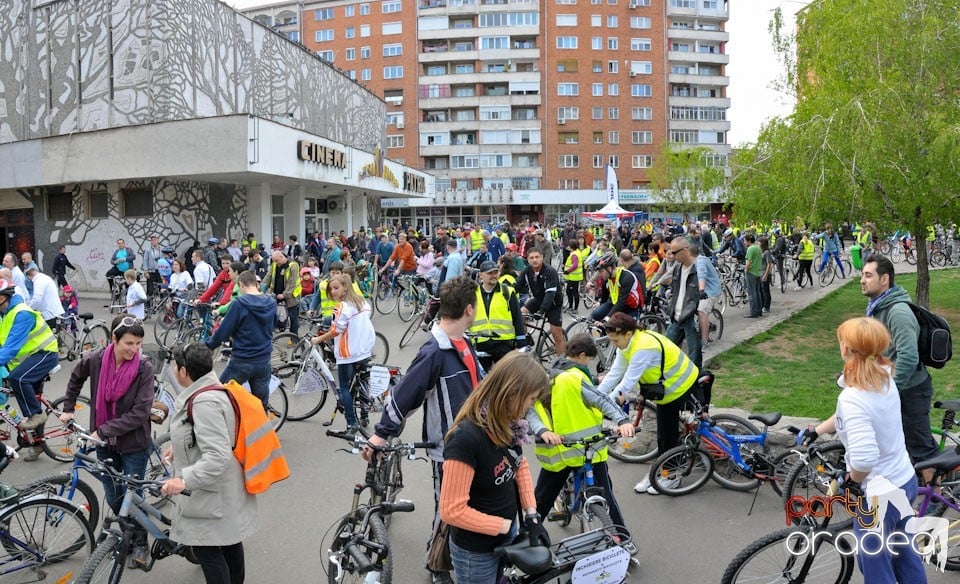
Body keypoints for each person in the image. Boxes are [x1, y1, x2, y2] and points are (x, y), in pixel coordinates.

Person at [366, 276, 481, 584]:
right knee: (449, 509)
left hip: (475, 443)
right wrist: (381, 434)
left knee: (470, 505)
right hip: (449, 449)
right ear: (469, 309)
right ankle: (436, 565)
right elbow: (405, 395)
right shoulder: (434, 352)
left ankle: (461, 556)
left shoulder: (464, 343)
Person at [799, 318, 926, 583]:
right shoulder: (883, 377)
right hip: (903, 479)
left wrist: (853, 480)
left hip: (879, 494)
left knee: (876, 566)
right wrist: (818, 430)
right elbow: (851, 417)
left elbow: (865, 457)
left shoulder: (854, 397)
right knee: (904, 552)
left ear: (846, 348)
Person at [439, 351, 549, 584]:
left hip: (504, 534)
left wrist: (531, 516)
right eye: (531, 399)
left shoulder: (507, 424)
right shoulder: (466, 439)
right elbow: (451, 510)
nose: (532, 407)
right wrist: (504, 527)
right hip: (475, 552)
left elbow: (519, 465)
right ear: (512, 393)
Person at [526, 334, 637, 553]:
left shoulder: (553, 373)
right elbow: (601, 400)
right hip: (588, 449)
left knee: (540, 501)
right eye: (588, 360)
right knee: (606, 495)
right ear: (582, 356)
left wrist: (542, 431)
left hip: (560, 452)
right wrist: (623, 420)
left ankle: (525, 541)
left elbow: (531, 411)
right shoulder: (573, 378)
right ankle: (623, 539)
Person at [160, 342, 259, 584]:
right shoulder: (214, 389)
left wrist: (183, 480)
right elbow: (213, 434)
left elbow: (217, 456)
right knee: (229, 540)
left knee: (206, 549)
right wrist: (180, 445)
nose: (173, 369)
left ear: (184, 372)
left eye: (175, 365)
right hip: (224, 488)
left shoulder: (204, 402)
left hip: (210, 493)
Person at [60, 315, 153, 566]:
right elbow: (75, 376)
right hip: (105, 444)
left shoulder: (144, 368)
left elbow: (141, 412)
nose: (135, 350)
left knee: (134, 496)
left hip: (134, 443)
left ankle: (140, 542)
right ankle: (127, 530)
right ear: (114, 339)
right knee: (113, 496)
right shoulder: (96, 359)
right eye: (129, 343)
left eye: (139, 344)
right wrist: (68, 407)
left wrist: (104, 430)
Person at [596, 313, 699, 495]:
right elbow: (614, 374)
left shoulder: (644, 347)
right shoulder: (628, 344)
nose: (613, 344)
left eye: (615, 340)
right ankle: (659, 472)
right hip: (667, 389)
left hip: (679, 386)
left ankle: (671, 476)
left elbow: (627, 382)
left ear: (628, 334)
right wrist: (596, 397)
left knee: (668, 435)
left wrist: (607, 404)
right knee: (664, 435)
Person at [861, 255, 939, 473]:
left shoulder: (898, 312)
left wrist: (891, 389)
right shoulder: (877, 307)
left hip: (911, 389)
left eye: (868, 275)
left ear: (884, 279)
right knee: (902, 443)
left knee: (921, 447)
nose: (862, 280)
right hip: (894, 385)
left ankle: (935, 499)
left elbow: (908, 356)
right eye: (862, 275)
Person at [0, 280, 60, 450]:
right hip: (29, 358)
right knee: (25, 391)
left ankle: (37, 415)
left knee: (18, 378)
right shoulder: (3, 314)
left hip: (45, 354)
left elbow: (10, 349)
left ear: (3, 298)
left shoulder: (22, 314)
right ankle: (37, 444)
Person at [310, 274, 375, 430]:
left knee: (345, 387)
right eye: (331, 288)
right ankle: (364, 415)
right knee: (361, 383)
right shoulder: (361, 302)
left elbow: (335, 331)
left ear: (346, 287)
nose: (333, 291)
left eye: (336, 288)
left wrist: (318, 340)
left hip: (348, 353)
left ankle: (351, 422)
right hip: (364, 349)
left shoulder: (342, 307)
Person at [205, 271, 276, 409]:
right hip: (264, 360)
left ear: (241, 285)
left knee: (220, 396)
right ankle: (261, 429)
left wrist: (207, 346)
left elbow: (223, 333)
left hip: (242, 360)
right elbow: (274, 325)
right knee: (260, 406)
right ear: (256, 285)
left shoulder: (239, 304)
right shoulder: (271, 302)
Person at [469, 261, 524, 371]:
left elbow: (517, 318)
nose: (493, 276)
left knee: (505, 380)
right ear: (480, 275)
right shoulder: (473, 294)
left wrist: (521, 342)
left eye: (495, 272)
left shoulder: (507, 292)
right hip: (481, 343)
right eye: (490, 273)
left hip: (504, 344)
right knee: (480, 381)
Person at [516, 247, 566, 356]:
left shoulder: (550, 271)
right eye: (531, 258)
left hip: (553, 304)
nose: (534, 260)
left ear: (542, 258)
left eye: (537, 257)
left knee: (557, 335)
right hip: (538, 300)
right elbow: (516, 286)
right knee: (521, 315)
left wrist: (541, 311)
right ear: (528, 260)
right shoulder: (527, 271)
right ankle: (525, 339)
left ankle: (562, 362)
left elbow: (550, 294)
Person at [665, 237, 703, 369]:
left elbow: (704, 293)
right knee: (665, 350)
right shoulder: (677, 269)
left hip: (689, 317)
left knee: (694, 356)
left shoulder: (698, 269)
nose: (672, 256)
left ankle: (696, 382)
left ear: (686, 250)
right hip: (676, 317)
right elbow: (676, 291)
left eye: (675, 252)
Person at [262, 251, 302, 334]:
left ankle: (294, 337)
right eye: (274, 261)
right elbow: (268, 277)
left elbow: (292, 283)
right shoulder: (274, 264)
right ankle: (277, 327)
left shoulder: (293, 265)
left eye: (277, 260)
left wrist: (285, 294)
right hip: (276, 293)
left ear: (281, 257)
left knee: (293, 317)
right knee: (269, 311)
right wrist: (261, 287)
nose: (276, 263)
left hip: (292, 296)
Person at [743, 233, 763, 318]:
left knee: (752, 293)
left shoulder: (750, 249)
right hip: (758, 272)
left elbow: (748, 263)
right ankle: (759, 310)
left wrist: (746, 270)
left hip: (751, 272)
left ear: (748, 241)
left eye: (744, 241)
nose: (744, 243)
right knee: (757, 292)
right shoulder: (758, 247)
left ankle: (753, 311)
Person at [562, 240, 582, 313]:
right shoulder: (577, 252)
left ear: (571, 247)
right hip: (574, 277)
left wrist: (568, 271)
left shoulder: (574, 254)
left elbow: (575, 265)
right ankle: (571, 307)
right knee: (571, 292)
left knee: (572, 292)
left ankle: (574, 308)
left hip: (574, 277)